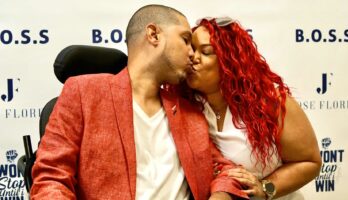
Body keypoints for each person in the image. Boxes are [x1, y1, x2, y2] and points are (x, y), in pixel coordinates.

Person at [30, 6, 248, 200]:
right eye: (185, 40)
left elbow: (223, 169)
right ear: (153, 35)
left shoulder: (189, 112)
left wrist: (220, 195)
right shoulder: (83, 92)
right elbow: (51, 177)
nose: (192, 53)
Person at [183, 17, 322, 200]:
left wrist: (265, 189)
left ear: (230, 61)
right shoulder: (184, 105)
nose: (194, 58)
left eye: (206, 52)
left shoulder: (271, 101)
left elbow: (309, 161)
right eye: (191, 49)